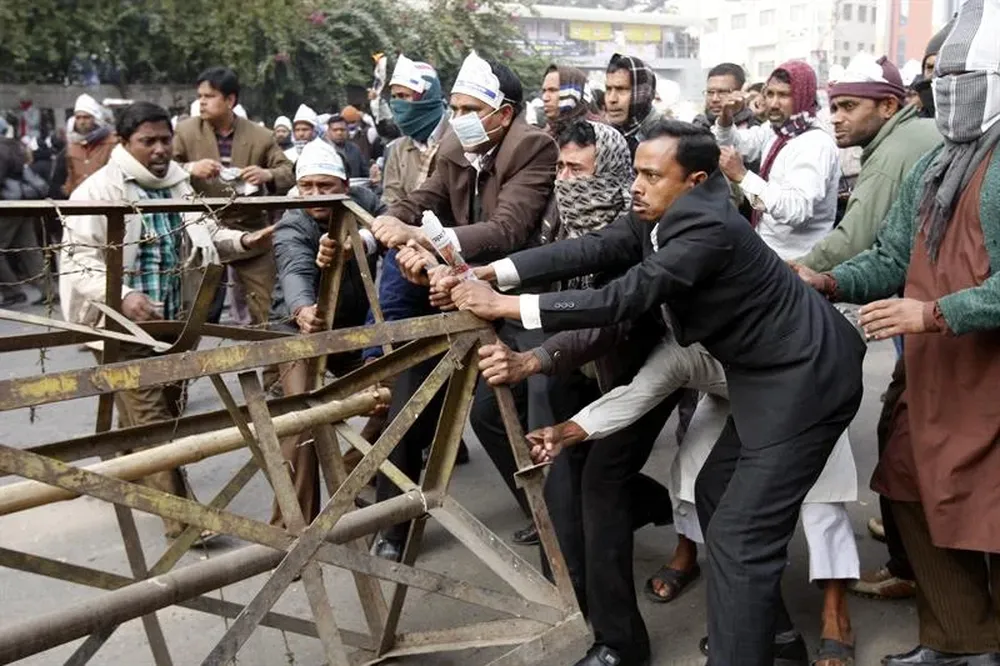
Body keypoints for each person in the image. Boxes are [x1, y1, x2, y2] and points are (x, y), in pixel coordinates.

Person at [437, 120, 866, 666]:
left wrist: (508, 306)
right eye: (635, 171)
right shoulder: (659, 216)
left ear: (696, 180)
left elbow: (626, 297)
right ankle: (774, 640)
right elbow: (594, 248)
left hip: (807, 381)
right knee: (716, 493)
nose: (635, 186)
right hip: (766, 378)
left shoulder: (708, 229)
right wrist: (491, 271)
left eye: (651, 175)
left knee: (739, 537)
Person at [795, 2, 1000, 662]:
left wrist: (931, 315)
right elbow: (889, 255)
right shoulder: (935, 165)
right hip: (933, 371)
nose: (949, 96)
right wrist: (826, 280)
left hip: (987, 376)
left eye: (965, 81)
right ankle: (959, 639)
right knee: (907, 485)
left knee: (990, 511)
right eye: (940, 82)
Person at [319, 51, 558, 562]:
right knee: (411, 396)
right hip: (449, 289)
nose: (460, 117)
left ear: (505, 113)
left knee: (497, 414)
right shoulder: (456, 141)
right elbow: (419, 200)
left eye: (472, 109)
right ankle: (395, 523)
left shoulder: (533, 147)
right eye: (455, 107)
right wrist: (374, 233)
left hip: (508, 293)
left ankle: (546, 514)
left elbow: (508, 229)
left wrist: (424, 241)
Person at [470, 118, 679, 666]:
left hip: (638, 374)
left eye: (576, 169)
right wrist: (489, 273)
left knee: (600, 491)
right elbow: (565, 258)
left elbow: (609, 316)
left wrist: (532, 353)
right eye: (559, 167)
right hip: (566, 366)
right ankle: (570, 597)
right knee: (561, 480)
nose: (565, 179)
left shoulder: (646, 226)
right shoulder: (560, 214)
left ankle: (619, 642)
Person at [58, 101, 272, 540]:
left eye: (163, 141)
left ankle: (124, 469)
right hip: (122, 325)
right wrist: (123, 295)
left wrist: (246, 239)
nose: (158, 150)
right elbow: (80, 262)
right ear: (123, 142)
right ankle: (182, 521)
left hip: (175, 322)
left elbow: (206, 237)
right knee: (155, 420)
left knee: (166, 410)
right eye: (147, 141)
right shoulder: (97, 192)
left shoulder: (179, 186)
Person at [793, 54, 944, 604]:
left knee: (904, 442)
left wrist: (801, 277)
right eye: (832, 106)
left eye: (849, 106)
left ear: (889, 105)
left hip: (939, 315)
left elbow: (861, 240)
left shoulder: (894, 154)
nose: (836, 118)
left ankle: (915, 566)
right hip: (928, 308)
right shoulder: (917, 139)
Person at [268, 138, 384, 524]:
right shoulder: (293, 223)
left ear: (345, 187)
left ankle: (351, 474)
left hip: (352, 331)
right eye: (308, 188)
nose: (316, 196)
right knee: (301, 419)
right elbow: (294, 268)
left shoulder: (364, 202)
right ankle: (293, 527)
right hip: (298, 333)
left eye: (326, 187)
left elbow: (394, 219)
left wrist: (363, 240)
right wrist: (303, 308)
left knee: (399, 394)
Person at [173, 66, 294, 328]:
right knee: (189, 314)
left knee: (268, 309)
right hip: (200, 231)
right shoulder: (185, 132)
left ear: (230, 100)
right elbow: (161, 169)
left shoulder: (260, 136)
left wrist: (267, 175)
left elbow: (288, 171)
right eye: (200, 96)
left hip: (251, 230)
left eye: (209, 96)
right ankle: (183, 364)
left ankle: (276, 366)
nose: (202, 102)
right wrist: (190, 168)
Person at [714, 60, 840, 260]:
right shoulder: (777, 130)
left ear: (802, 97)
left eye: (784, 95)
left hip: (798, 263)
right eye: (770, 94)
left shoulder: (815, 144)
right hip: (768, 253)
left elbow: (795, 210)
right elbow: (735, 145)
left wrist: (743, 177)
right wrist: (726, 116)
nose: (773, 103)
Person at [604, 53, 661, 156]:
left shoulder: (665, 139)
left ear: (643, 92)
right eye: (608, 89)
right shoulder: (605, 137)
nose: (612, 99)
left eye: (621, 89)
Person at [63, 94, 116, 195]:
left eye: (86, 117)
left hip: (104, 199)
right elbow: (71, 175)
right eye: (78, 118)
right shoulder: (73, 145)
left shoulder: (111, 143)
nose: (82, 122)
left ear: (96, 119)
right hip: (79, 201)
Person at [692, 62, 758, 131]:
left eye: (722, 92)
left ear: (742, 93)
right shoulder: (694, 130)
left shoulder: (757, 132)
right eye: (710, 92)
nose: (715, 99)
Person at [539, 64, 597, 137]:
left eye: (553, 90)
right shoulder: (545, 135)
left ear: (574, 92)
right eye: (544, 91)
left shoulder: (597, 133)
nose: (545, 98)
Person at [325, 114, 369, 179]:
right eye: (335, 130)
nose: (339, 133)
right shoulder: (322, 150)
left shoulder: (355, 149)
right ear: (328, 132)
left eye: (342, 130)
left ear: (347, 130)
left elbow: (365, 173)